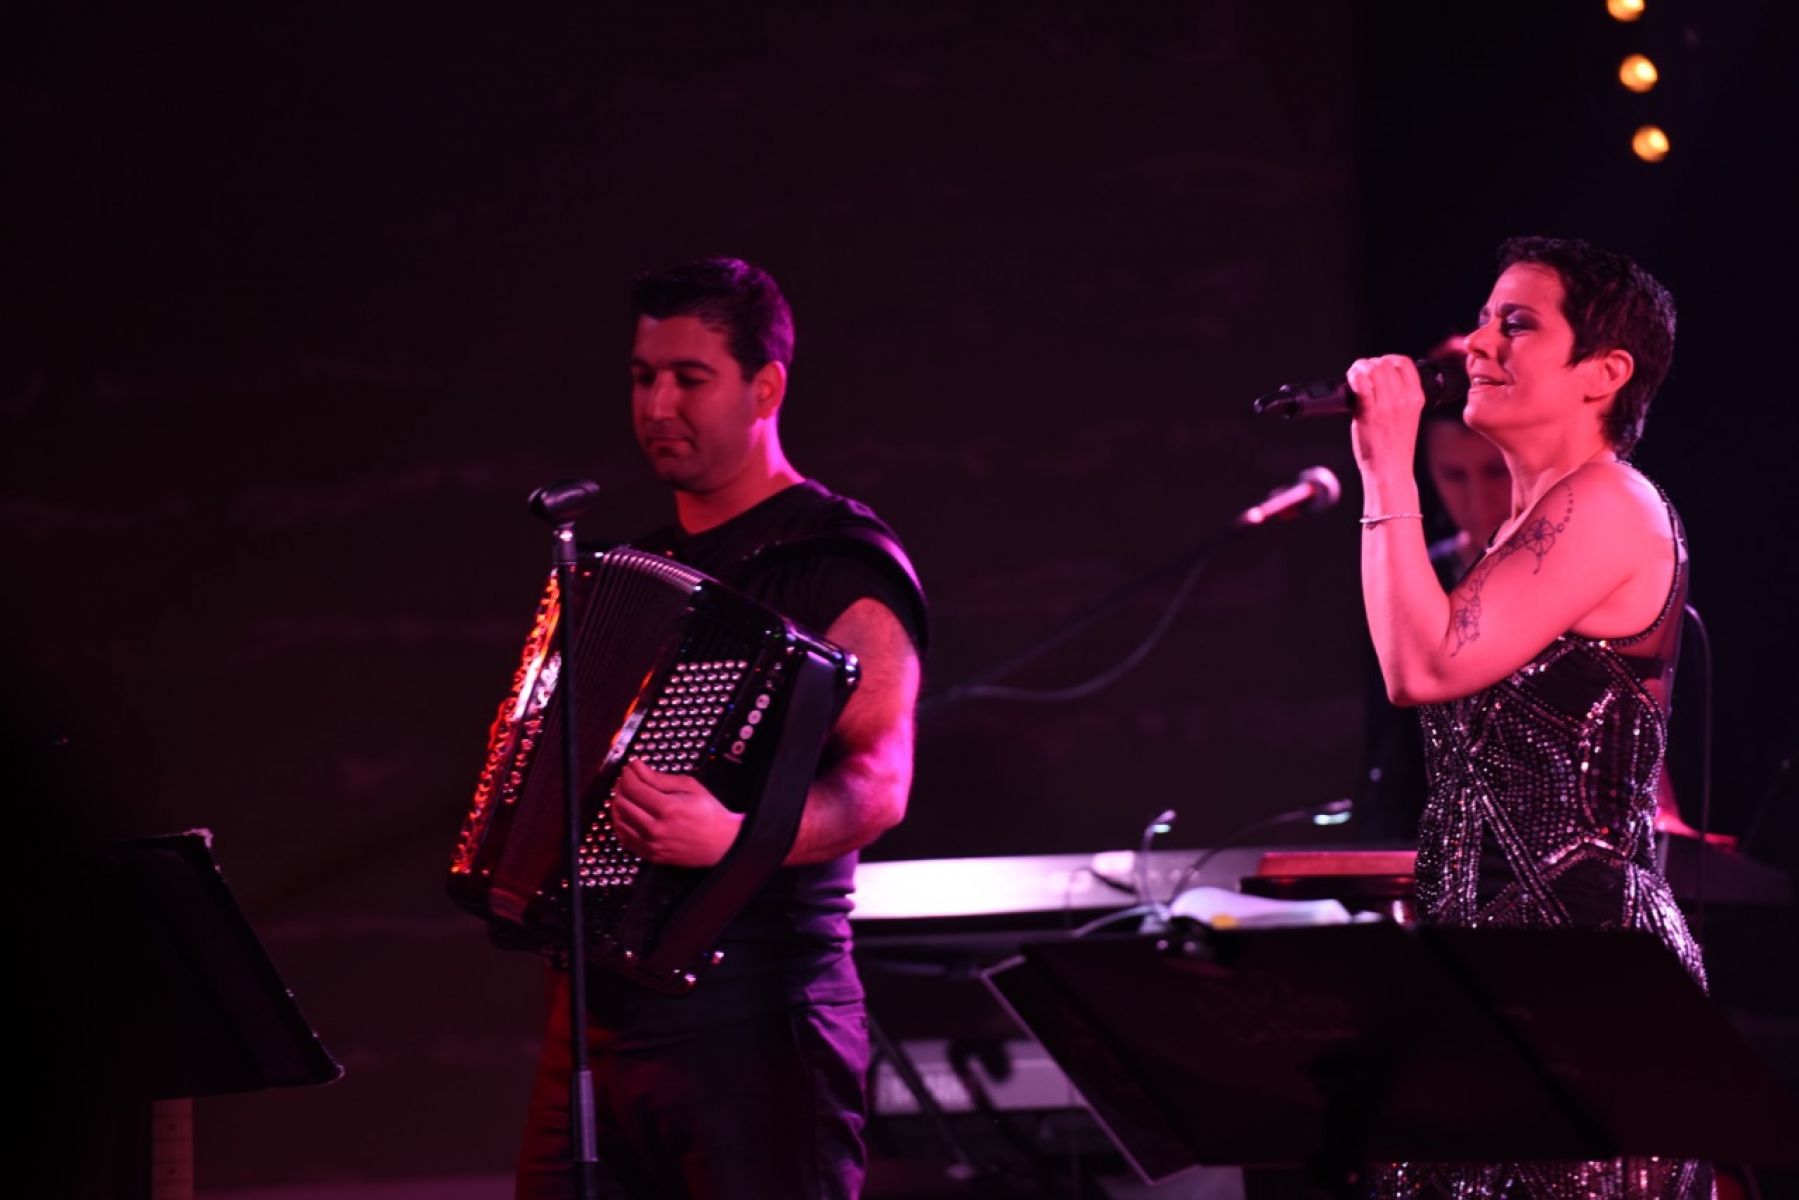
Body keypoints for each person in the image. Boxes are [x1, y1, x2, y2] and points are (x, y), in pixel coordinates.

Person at [515, 258, 927, 1199]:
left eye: (689, 378)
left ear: (765, 388)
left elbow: (878, 786)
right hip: (596, 1021)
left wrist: (739, 838)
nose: (657, 405)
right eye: (642, 376)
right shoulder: (633, 570)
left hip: (757, 1019)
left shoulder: (839, 561)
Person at [1348, 236, 1708, 1198]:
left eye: (1515, 325)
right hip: (1488, 974)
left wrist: (1384, 468)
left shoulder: (1610, 502)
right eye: (1482, 320)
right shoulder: (1518, 529)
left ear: (1603, 372)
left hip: (1583, 982)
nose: (1477, 344)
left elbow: (1423, 667)